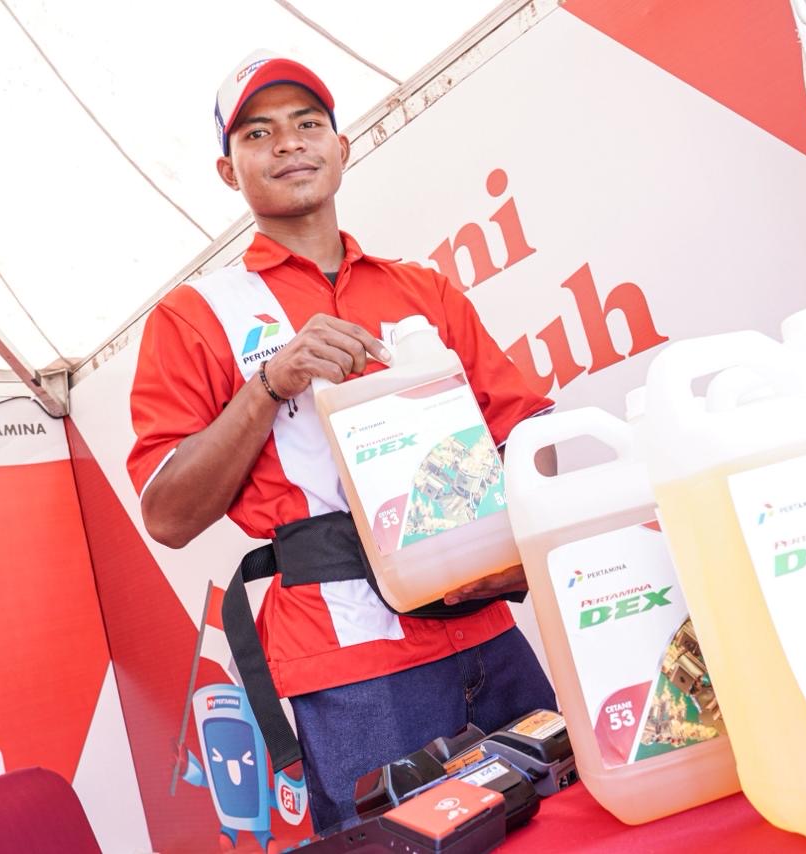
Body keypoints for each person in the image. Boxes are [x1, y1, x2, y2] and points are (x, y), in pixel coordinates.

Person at [126, 50, 557, 830]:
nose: (289, 143)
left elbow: (523, 431)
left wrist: (519, 551)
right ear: (228, 170)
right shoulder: (195, 314)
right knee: (403, 846)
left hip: (485, 622)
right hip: (350, 657)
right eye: (258, 133)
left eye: (308, 123)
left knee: (562, 823)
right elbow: (167, 513)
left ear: (342, 146)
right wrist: (268, 384)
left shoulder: (421, 288)